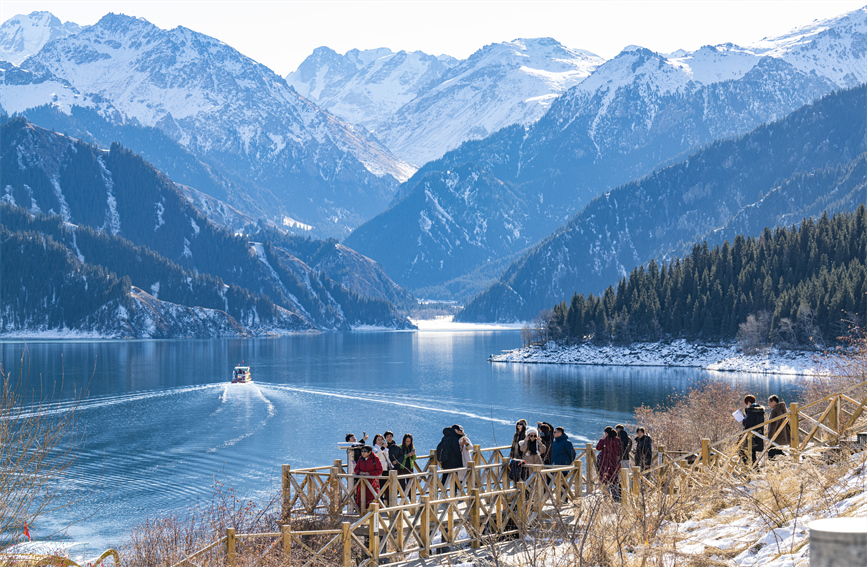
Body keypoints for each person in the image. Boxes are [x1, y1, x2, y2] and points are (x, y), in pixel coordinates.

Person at [739, 395, 766, 465]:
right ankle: (754, 469)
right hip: (757, 435)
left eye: (746, 403)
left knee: (740, 450)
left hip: (750, 436)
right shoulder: (760, 410)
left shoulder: (751, 411)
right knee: (752, 454)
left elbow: (748, 423)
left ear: (748, 402)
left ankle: (750, 467)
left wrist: (743, 419)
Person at [353, 445, 382, 511]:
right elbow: (356, 469)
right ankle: (361, 511)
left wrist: (369, 473)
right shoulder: (360, 459)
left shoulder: (375, 459)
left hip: (372, 482)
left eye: (365, 451)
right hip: (362, 482)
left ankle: (373, 511)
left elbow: (380, 470)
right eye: (362, 451)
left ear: (369, 452)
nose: (363, 453)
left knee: (372, 496)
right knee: (361, 496)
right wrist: (359, 472)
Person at [597, 427, 622, 501]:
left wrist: (602, 440)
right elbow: (619, 452)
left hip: (604, 463)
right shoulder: (617, 441)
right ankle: (616, 498)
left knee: (605, 481)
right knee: (614, 481)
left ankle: (606, 499)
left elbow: (598, 448)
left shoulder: (604, 441)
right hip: (614, 463)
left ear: (606, 433)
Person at [372, 433, 391, 504]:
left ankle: (387, 502)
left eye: (381, 440)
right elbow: (376, 454)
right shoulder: (375, 448)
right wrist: (382, 448)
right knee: (379, 486)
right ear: (375, 441)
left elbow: (387, 458)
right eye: (378, 440)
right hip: (378, 469)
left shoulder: (385, 449)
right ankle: (380, 502)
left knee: (385, 486)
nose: (380, 441)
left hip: (385, 469)